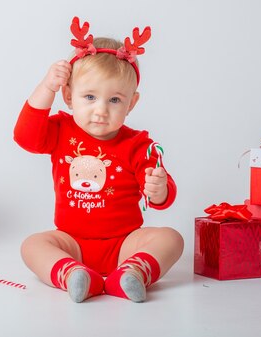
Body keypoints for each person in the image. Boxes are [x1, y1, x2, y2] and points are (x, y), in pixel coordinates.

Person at [13, 17, 184, 303]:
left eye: (115, 100)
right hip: (72, 242)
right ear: (68, 96)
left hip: (125, 243)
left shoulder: (137, 143)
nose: (101, 110)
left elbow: (160, 197)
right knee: (32, 245)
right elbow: (25, 136)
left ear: (131, 103)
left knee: (172, 239)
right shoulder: (60, 131)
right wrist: (46, 87)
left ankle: (133, 272)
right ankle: (72, 274)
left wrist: (160, 189)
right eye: (90, 97)